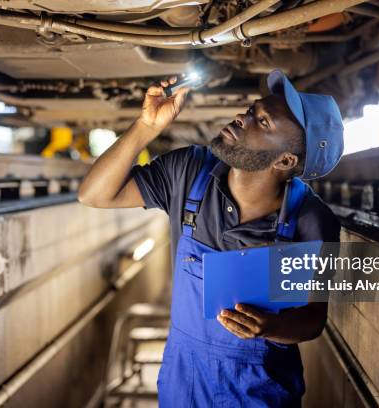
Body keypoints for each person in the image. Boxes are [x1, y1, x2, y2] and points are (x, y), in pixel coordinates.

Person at [78, 69, 343, 407]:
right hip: (184, 382)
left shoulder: (311, 222)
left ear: (286, 160)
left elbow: (312, 320)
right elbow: (94, 194)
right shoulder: (189, 173)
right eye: (252, 110)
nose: (242, 118)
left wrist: (270, 326)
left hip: (258, 390)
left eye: (263, 122)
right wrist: (147, 127)